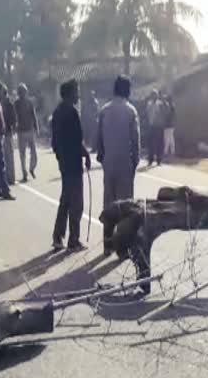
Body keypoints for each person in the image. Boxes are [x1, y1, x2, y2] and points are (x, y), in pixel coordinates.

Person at [97, 75, 141, 253]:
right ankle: (122, 247)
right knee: (125, 205)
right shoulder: (131, 111)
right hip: (125, 163)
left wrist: (103, 158)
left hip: (109, 163)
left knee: (109, 202)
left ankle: (107, 244)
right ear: (127, 90)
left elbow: (98, 141)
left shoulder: (104, 110)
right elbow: (136, 141)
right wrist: (135, 162)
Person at [51, 79, 92, 251]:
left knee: (66, 200)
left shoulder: (58, 112)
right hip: (73, 163)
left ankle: (58, 236)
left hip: (64, 162)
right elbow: (76, 140)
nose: (79, 95)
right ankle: (73, 240)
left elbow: (55, 141)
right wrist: (86, 154)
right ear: (69, 94)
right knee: (76, 203)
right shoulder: (71, 112)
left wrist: (60, 156)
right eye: (76, 92)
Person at [15, 83, 40, 182]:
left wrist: (36, 127)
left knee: (33, 152)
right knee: (22, 154)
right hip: (21, 131)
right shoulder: (16, 103)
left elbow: (34, 115)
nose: (22, 94)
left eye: (23, 92)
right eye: (20, 92)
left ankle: (31, 168)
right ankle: (24, 172)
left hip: (29, 130)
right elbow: (14, 116)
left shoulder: (30, 102)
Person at [0, 86, 18, 185]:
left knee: (8, 157)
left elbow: (13, 118)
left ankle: (10, 178)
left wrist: (13, 128)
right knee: (6, 157)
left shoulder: (7, 104)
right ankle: (8, 178)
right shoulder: (1, 103)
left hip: (6, 133)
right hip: (4, 133)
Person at [146, 90, 166, 165]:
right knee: (151, 144)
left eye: (155, 95)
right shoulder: (149, 103)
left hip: (159, 126)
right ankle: (150, 159)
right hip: (152, 125)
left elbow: (164, 112)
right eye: (153, 95)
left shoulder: (160, 104)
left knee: (159, 144)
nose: (154, 97)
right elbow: (148, 113)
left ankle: (159, 160)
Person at [163, 94, 177, 158]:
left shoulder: (169, 106)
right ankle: (172, 152)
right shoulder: (172, 106)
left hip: (168, 125)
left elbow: (167, 115)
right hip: (171, 125)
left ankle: (165, 152)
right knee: (171, 139)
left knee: (167, 139)